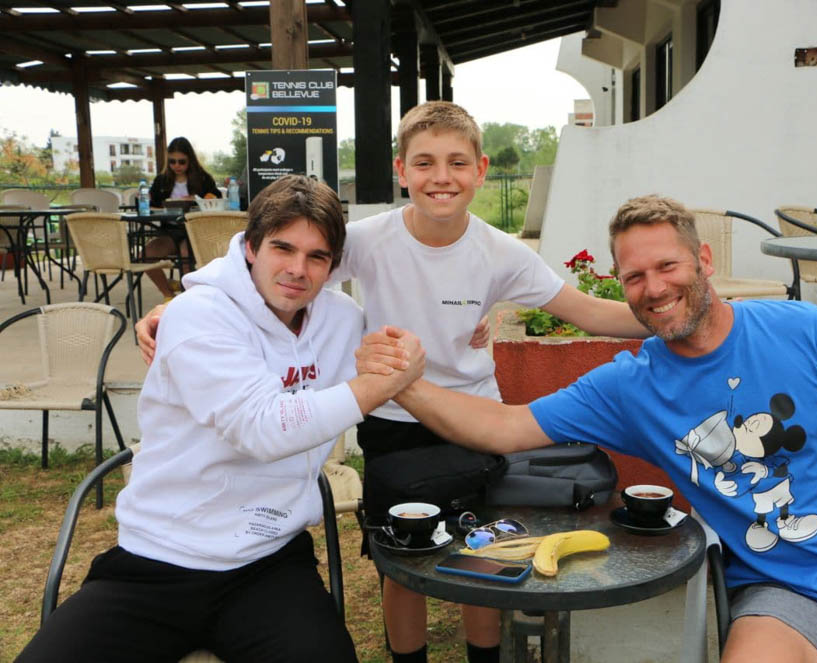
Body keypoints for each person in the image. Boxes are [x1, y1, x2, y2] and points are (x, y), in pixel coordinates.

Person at [361, 195, 817, 663]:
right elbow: (504, 427)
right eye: (634, 277)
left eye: (667, 267)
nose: (654, 288)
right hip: (783, 599)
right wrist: (404, 385)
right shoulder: (629, 386)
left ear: (704, 259)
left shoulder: (804, 329)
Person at [135, 101, 648, 663]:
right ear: (402, 171)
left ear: (480, 170)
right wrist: (181, 306)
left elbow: (590, 313)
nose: (441, 177)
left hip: (473, 418)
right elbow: (275, 267)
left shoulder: (501, 253)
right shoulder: (366, 240)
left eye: (457, 162)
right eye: (424, 163)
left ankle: (484, 656)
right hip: (392, 420)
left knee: (483, 548)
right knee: (402, 562)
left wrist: (675, 312)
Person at [17, 175, 425, 663]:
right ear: (250, 246)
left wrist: (465, 329)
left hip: (268, 564)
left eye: (317, 257)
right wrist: (371, 387)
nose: (298, 270)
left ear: (333, 265)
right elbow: (262, 428)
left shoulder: (341, 319)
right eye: (283, 248)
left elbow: (418, 323)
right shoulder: (197, 315)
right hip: (157, 561)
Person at [145, 136, 223, 299]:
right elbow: (152, 204)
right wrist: (162, 205)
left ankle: (190, 300)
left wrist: (196, 199)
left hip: (196, 231)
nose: (177, 166)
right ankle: (168, 294)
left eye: (182, 161)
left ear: (190, 160)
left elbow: (216, 199)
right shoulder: (162, 180)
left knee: (185, 254)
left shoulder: (203, 178)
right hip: (170, 231)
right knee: (146, 255)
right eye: (172, 161)